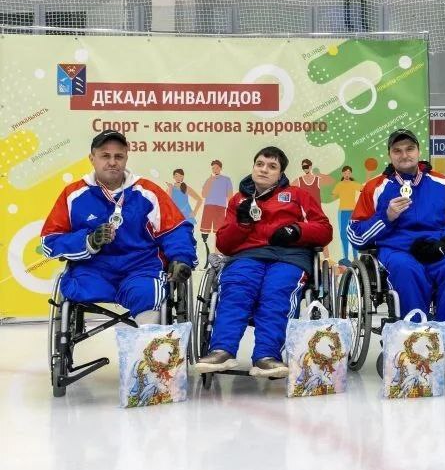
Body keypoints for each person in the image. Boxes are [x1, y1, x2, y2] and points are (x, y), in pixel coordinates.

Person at [196, 146, 333, 377]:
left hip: (289, 257)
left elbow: (324, 229)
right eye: (260, 164)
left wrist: (296, 230)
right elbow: (224, 245)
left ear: (280, 174)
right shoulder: (238, 199)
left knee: (276, 292)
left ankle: (266, 356)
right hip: (247, 257)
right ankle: (221, 350)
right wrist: (242, 223)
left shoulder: (298, 196)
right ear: (253, 167)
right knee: (236, 289)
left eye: (272, 166)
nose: (264, 170)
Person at [40, 130, 196, 324]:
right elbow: (49, 241)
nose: (112, 162)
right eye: (105, 156)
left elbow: (175, 229)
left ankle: (149, 350)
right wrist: (89, 241)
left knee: (148, 293)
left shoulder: (147, 192)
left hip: (140, 268)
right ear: (92, 158)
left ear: (126, 158)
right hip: (93, 271)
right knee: (75, 285)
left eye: (118, 156)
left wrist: (181, 258)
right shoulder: (73, 194)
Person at [348, 129, 445, 351]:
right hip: (397, 251)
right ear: (389, 155)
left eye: (409, 149)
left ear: (418, 151)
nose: (404, 155)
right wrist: (385, 217)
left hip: (436, 248)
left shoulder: (441, 183)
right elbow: (356, 235)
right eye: (397, 151)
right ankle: (416, 337)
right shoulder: (375, 187)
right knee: (406, 269)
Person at [330, 165, 362, 266]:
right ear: (343, 174)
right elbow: (333, 194)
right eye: (345, 173)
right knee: (344, 235)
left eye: (349, 172)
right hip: (342, 212)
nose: (347, 174)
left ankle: (356, 258)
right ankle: (346, 258)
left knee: (354, 234)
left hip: (353, 212)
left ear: (350, 174)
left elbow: (364, 189)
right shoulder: (339, 184)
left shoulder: (354, 184)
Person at [199, 159, 234, 242]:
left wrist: (230, 206)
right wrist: (210, 181)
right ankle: (205, 239)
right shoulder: (209, 180)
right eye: (213, 168)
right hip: (208, 205)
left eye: (217, 168)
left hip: (221, 206)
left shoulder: (226, 179)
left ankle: (219, 243)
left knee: (219, 227)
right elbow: (203, 194)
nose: (215, 170)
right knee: (206, 224)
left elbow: (229, 194)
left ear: (220, 168)